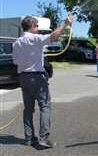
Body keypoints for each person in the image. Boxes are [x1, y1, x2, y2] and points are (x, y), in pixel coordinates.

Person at [12, 15, 73, 148]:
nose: (38, 28)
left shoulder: (16, 43)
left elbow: (16, 61)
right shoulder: (34, 39)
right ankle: (44, 138)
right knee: (45, 106)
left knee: (28, 109)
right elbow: (53, 36)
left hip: (23, 77)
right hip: (36, 77)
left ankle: (29, 138)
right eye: (37, 26)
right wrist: (65, 24)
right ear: (33, 26)